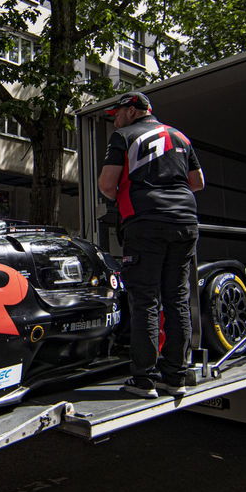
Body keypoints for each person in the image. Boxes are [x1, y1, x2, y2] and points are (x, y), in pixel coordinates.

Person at [97, 91, 204, 399]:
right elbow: (198, 182)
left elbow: (106, 185)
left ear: (133, 111)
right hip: (185, 222)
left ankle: (143, 379)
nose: (115, 119)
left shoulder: (124, 136)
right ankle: (175, 376)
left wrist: (136, 193)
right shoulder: (180, 137)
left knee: (145, 300)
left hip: (144, 221)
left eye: (117, 113)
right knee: (177, 298)